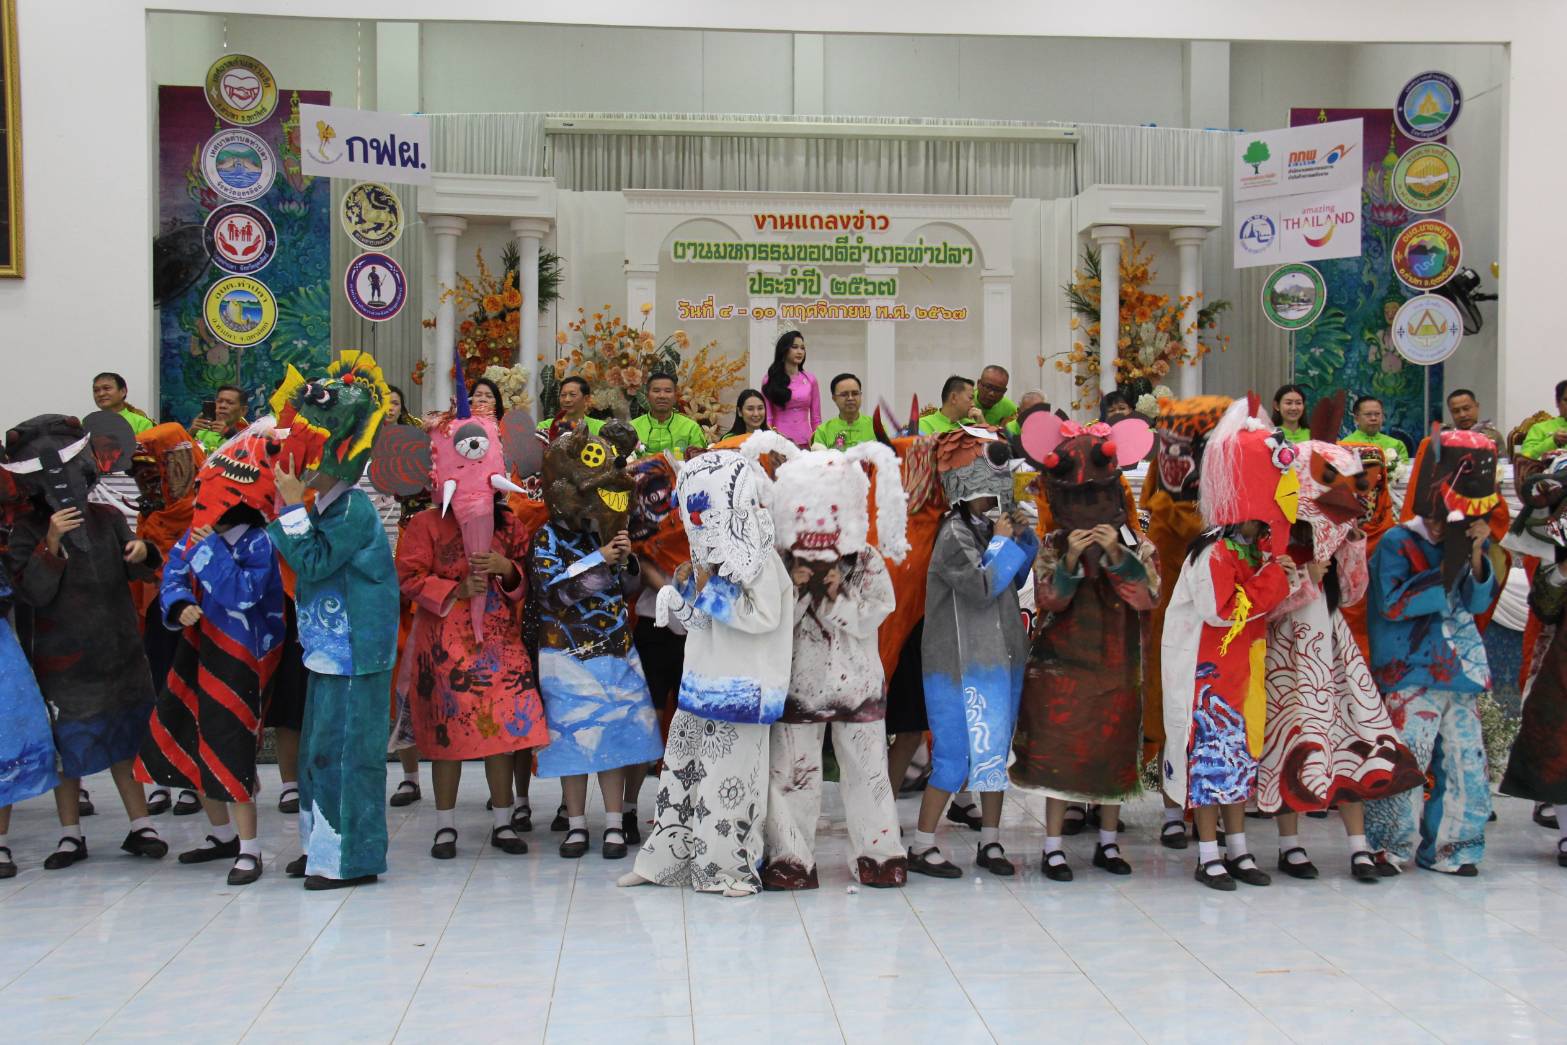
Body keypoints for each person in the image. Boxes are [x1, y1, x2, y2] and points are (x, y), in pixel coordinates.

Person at [621, 447, 794, 895]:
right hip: (698, 684)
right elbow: (697, 622)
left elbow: (764, 617)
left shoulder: (762, 559)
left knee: (728, 784)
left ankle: (729, 870)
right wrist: (679, 597)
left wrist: (705, 589)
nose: (697, 523)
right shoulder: (708, 558)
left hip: (742, 689)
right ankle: (666, 861)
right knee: (681, 774)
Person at [1258, 415, 1424, 883]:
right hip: (1288, 652)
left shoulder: (1343, 532)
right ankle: (1289, 846)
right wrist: (1304, 581)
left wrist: (1351, 547)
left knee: (1349, 736)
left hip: (1333, 649)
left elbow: (1351, 595)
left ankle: (1358, 848)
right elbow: (1263, 606)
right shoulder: (1277, 537)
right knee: (1290, 740)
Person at [3, 414, 168, 870]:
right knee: (68, 746)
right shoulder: (27, 531)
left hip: (118, 649)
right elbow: (31, 592)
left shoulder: (109, 517)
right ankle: (70, 833)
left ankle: (141, 825)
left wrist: (141, 551)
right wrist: (50, 543)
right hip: (62, 659)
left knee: (126, 738)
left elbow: (143, 568)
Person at [394, 391, 546, 861]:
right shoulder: (424, 525)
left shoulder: (511, 526)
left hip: (500, 640)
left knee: (501, 729)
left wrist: (506, 569)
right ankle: (445, 824)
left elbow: (527, 580)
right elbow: (407, 577)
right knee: (445, 731)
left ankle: (503, 820)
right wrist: (452, 590)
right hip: (444, 642)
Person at [268, 355, 400, 890]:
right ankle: (321, 845)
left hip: (355, 652)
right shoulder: (328, 506)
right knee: (317, 753)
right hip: (328, 650)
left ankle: (350, 859)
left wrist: (289, 506)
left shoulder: (353, 510)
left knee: (349, 756)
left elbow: (316, 562)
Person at [135, 428, 287, 886]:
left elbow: (242, 593)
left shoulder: (261, 542)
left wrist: (208, 551)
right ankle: (220, 835)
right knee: (192, 732)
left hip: (242, 659)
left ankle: (249, 847)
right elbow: (172, 575)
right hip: (197, 649)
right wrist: (179, 604)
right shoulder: (199, 534)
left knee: (230, 740)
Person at [1013, 412, 1159, 881]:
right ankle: (1052, 846)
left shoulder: (1136, 542)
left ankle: (1109, 843)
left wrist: (1117, 555)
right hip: (1062, 663)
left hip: (1118, 663)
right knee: (1060, 747)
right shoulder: (1054, 543)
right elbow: (1049, 598)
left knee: (1114, 748)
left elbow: (1146, 595)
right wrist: (1072, 559)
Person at [1161, 396, 1299, 891]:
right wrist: (1273, 581)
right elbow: (1224, 611)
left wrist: (1279, 576)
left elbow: (1259, 606)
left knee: (1238, 766)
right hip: (1209, 679)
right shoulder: (1214, 553)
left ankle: (1238, 849)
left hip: (1240, 677)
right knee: (1209, 766)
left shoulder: (1246, 550)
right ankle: (1207, 854)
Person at [763, 442, 908, 889]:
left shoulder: (863, 558)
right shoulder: (778, 560)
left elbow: (879, 610)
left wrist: (836, 596)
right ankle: (790, 856)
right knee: (791, 774)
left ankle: (880, 852)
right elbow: (766, 620)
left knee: (868, 773)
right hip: (797, 684)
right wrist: (797, 590)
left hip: (857, 685)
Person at [1365, 429, 1500, 876]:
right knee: (1406, 764)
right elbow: (1393, 604)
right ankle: (1388, 847)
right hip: (1410, 671)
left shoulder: (1465, 542)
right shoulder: (1396, 542)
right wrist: (1447, 568)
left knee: (1467, 765)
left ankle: (1455, 847)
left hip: (1460, 669)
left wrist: (1477, 553)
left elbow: (1478, 603)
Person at [529, 420, 662, 859]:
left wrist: (625, 562)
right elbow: (555, 593)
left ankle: (612, 823)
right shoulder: (547, 536)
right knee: (573, 737)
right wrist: (599, 559)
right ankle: (576, 824)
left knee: (617, 735)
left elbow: (627, 590)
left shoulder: (602, 531)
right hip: (564, 652)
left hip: (614, 646)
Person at [908, 429, 1036, 878]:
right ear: (968, 494)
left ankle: (991, 842)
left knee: (994, 752)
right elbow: (983, 586)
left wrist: (1024, 537)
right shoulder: (953, 535)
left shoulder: (987, 528)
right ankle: (922, 845)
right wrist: (1003, 542)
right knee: (955, 755)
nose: (995, 504)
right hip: (955, 666)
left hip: (998, 659)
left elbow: (1015, 581)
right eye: (989, 497)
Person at [1140, 395, 1231, 849]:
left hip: (1221, 605)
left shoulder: (1227, 486)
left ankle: (1208, 807)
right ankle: (1173, 808)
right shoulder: (1162, 498)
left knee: (1215, 702)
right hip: (1171, 602)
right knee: (1170, 698)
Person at [127, 422, 206, 818]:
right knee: (161, 690)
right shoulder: (150, 513)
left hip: (200, 612)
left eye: (156, 468)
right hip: (159, 614)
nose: (152, 480)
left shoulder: (209, 502)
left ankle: (192, 779)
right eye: (143, 472)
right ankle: (162, 775)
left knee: (192, 692)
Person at [1498, 458, 1567, 867]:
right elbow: (1544, 606)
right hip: (1561, 659)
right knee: (1558, 741)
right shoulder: (1556, 538)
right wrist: (1561, 569)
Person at [1400, 390, 1512, 631]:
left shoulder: (1491, 438)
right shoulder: (1441, 440)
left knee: (1483, 579)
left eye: (1467, 408)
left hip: (1478, 519)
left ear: (1477, 406)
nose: (1463, 414)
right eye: (1457, 410)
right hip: (1442, 519)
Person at [761, 330, 821, 448]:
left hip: (806, 441)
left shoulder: (810, 379)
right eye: (794, 347)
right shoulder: (769, 379)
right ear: (783, 350)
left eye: (802, 348)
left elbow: (816, 417)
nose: (800, 352)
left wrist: (818, 441)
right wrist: (768, 441)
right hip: (779, 442)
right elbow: (767, 417)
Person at [632, 372, 708, 458]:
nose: (662, 396)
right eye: (656, 391)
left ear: (675, 397)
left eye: (668, 391)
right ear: (647, 396)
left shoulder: (691, 428)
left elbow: (700, 462)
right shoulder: (632, 428)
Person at [811, 373, 874, 450]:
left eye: (855, 393)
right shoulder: (823, 431)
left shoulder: (876, 427)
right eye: (844, 394)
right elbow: (819, 460)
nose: (850, 398)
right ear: (834, 398)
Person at [1347, 395, 1407, 474]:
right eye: (1368, 414)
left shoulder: (1397, 444)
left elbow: (1404, 474)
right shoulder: (1345, 445)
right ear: (1356, 419)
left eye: (1377, 414)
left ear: (1382, 417)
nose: (1373, 418)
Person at [539, 376, 604, 438]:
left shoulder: (600, 428)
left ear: (586, 399)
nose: (567, 399)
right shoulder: (546, 426)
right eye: (563, 395)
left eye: (573, 395)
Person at [190, 384, 248, 454]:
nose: (222, 406)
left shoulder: (250, 436)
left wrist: (229, 434)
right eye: (219, 401)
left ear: (243, 410)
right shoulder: (200, 431)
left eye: (230, 403)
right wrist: (190, 434)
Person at [1518, 379, 1567, 460]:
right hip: (1549, 471)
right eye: (1566, 400)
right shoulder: (1539, 428)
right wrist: (1553, 441)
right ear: (1557, 402)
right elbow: (1525, 458)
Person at [918, 375, 982, 435]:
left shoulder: (971, 424)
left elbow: (989, 446)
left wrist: (982, 424)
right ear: (954, 397)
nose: (973, 404)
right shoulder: (924, 424)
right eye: (970, 398)